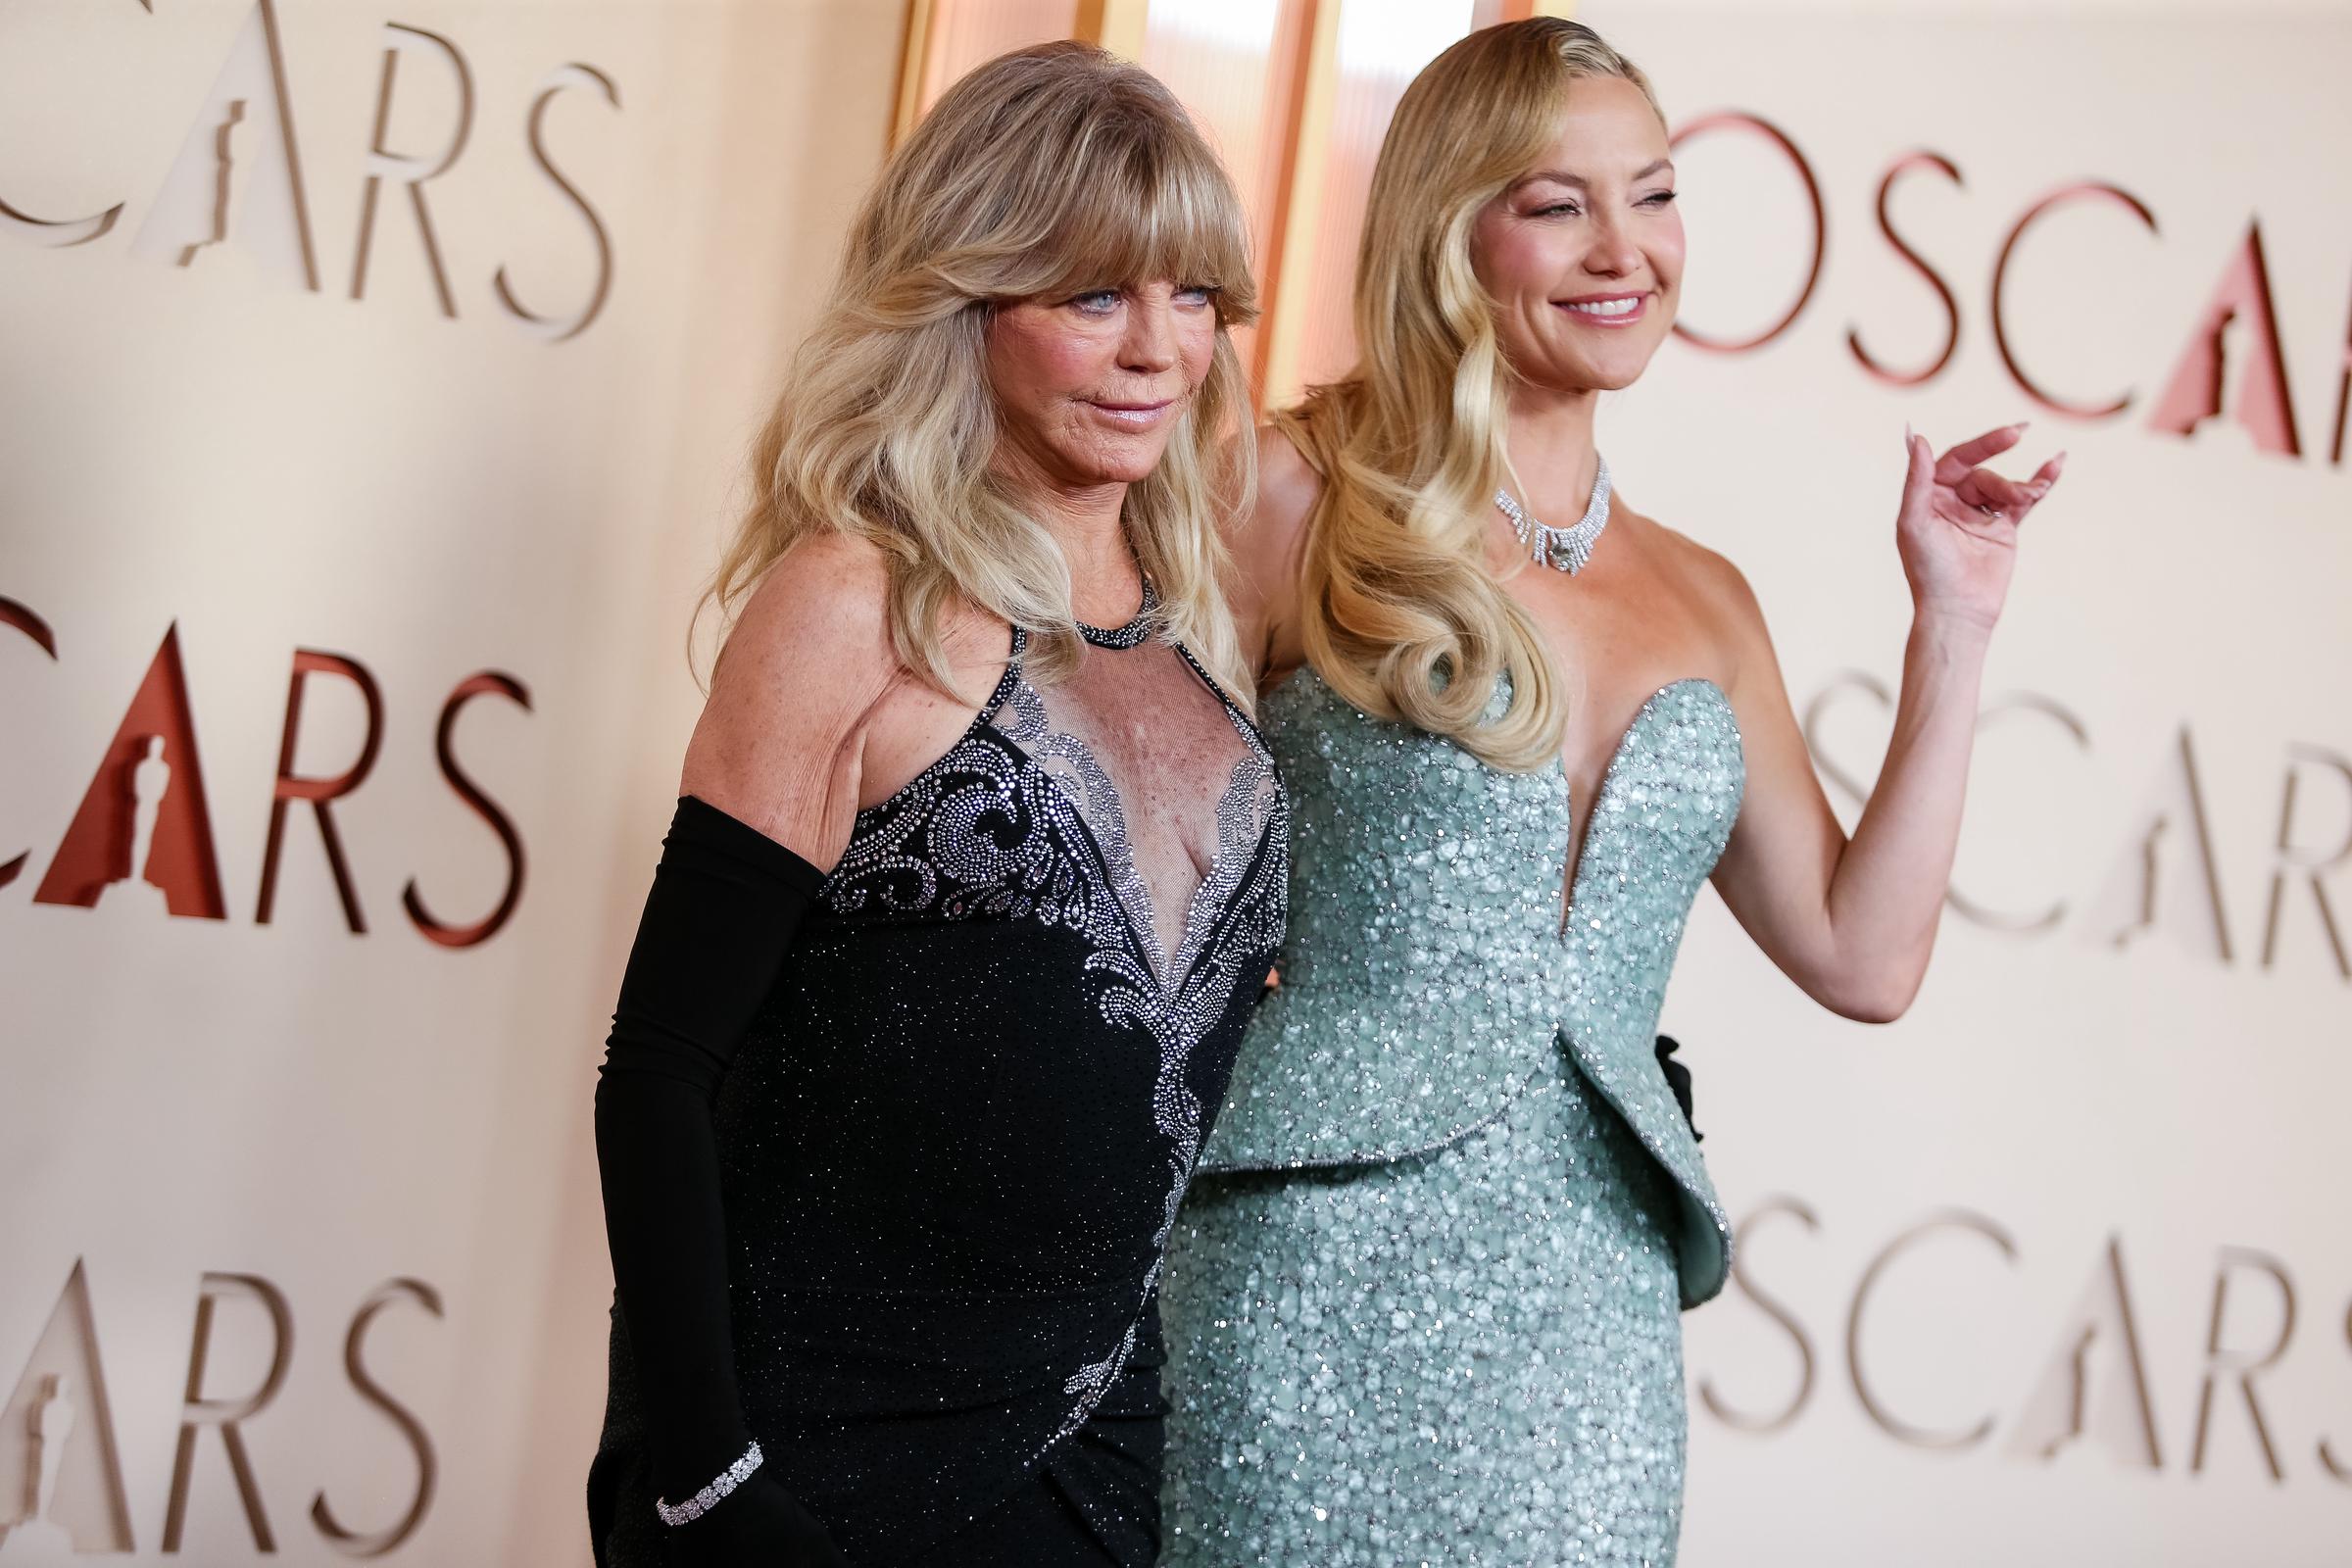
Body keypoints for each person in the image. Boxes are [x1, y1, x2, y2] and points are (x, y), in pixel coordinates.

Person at [1160, 18, 2062, 1564]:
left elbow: (1864, 953)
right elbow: (1122, 882)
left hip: (1597, 1305)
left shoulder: (1707, 599)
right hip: (1300, 1271)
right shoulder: (1290, 495)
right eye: (1557, 203)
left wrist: (1956, 621)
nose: (1623, 250)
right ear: (1453, 230)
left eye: (1652, 195)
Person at [588, 43, 1288, 1567]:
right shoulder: (860, 599)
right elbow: (656, 1071)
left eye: (1195, 298)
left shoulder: (1203, 635)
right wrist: (706, 1475)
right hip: (817, 1468)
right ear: (969, 304)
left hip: (1095, 1479)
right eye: (1094, 295)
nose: (1157, 351)